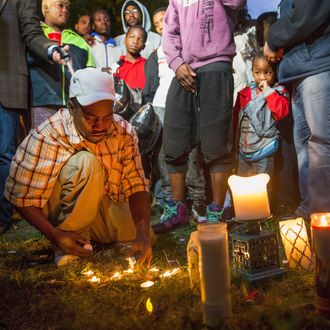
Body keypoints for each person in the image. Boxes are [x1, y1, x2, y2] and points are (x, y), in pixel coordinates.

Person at [4, 68, 154, 266]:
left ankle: (92, 240)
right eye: (91, 118)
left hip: (103, 202)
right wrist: (55, 235)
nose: (100, 126)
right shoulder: (48, 134)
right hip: (62, 209)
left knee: (144, 235)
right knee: (86, 162)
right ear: (72, 107)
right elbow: (21, 196)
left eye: (107, 117)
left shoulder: (123, 131)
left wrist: (142, 233)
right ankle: (68, 243)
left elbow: (136, 185)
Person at [153, 0, 246, 234]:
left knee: (215, 141)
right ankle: (178, 210)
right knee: (174, 138)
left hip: (216, 63)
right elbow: (170, 31)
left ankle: (215, 211)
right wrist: (176, 63)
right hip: (185, 68)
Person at [0, 0, 66, 235]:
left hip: (5, 83)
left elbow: (31, 32)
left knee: (3, 152)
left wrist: (51, 49)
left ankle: (2, 216)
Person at [264, 0, 330, 218]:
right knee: (304, 145)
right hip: (301, 71)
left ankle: (322, 213)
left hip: (318, 66)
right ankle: (309, 207)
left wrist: (273, 39)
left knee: (320, 142)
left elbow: (305, 16)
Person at [143, 7, 206, 221]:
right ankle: (172, 205)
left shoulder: (191, 43)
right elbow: (150, 86)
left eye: (164, 19)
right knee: (166, 157)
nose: (162, 24)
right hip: (162, 107)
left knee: (193, 153)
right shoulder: (156, 53)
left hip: (189, 103)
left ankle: (197, 203)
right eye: (157, 22)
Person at [28, 0, 95, 128]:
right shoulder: (34, 36)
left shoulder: (79, 41)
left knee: (72, 147)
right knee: (41, 146)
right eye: (60, 5)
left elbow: (90, 74)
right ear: (46, 8)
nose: (65, 10)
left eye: (67, 7)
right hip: (41, 105)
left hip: (74, 108)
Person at [234, 53, 289, 180]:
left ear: (274, 72)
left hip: (265, 149)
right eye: (257, 72)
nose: (262, 77)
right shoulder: (245, 93)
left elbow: (281, 112)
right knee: (243, 188)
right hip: (244, 151)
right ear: (252, 72)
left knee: (262, 189)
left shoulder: (278, 92)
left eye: (267, 72)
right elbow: (237, 121)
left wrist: (268, 91)